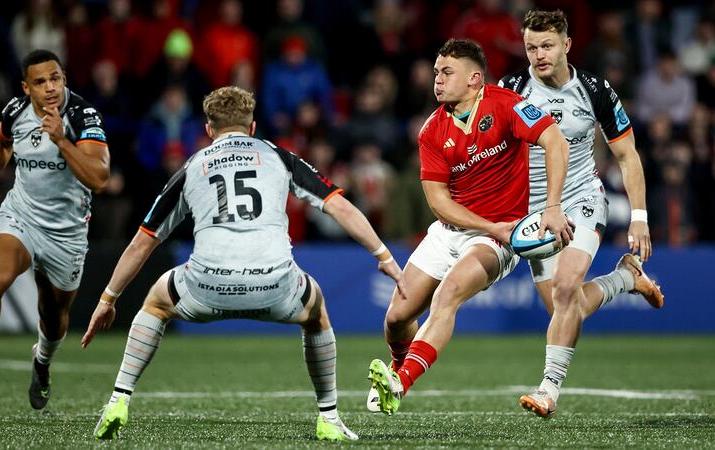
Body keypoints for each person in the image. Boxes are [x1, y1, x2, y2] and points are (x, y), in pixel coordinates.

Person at [82, 86, 407, 441]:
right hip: (275, 284)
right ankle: (328, 418)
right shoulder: (279, 157)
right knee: (316, 313)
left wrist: (107, 300)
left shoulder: (192, 167)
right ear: (252, 127)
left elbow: (143, 241)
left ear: (209, 130)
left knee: (156, 302)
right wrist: (385, 257)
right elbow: (340, 206)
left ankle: (118, 399)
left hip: (207, 283)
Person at [365, 39, 574, 416]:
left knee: (449, 294)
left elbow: (554, 140)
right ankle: (399, 367)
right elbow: (438, 202)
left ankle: (400, 383)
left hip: (499, 239)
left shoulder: (506, 105)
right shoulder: (431, 130)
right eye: (435, 73)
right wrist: (491, 225)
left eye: (447, 72)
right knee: (396, 319)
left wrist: (552, 207)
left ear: (475, 78)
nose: (437, 80)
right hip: (455, 230)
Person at [499, 9, 664, 417]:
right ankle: (626, 277)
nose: (539, 54)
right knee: (565, 309)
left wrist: (639, 217)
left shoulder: (594, 90)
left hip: (580, 199)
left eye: (548, 45)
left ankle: (548, 390)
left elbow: (627, 155)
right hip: (533, 213)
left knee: (567, 289)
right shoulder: (511, 89)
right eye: (532, 47)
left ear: (567, 45)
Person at [0, 49, 110, 410]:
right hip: (22, 215)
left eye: (56, 78)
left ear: (64, 78)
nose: (51, 88)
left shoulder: (82, 115)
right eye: (41, 81)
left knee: (53, 313)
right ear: (26, 87)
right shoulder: (15, 111)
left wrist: (62, 140)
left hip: (67, 232)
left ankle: (42, 364)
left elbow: (99, 179)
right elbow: (1, 141)